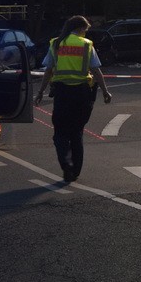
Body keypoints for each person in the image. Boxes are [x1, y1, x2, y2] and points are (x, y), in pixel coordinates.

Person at [34, 15, 113, 182]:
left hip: (62, 94)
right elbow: (96, 70)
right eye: (85, 30)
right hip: (81, 94)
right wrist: (106, 91)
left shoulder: (56, 43)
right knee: (76, 133)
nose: (85, 33)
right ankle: (75, 171)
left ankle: (66, 164)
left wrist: (40, 92)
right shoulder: (86, 45)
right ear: (80, 29)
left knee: (60, 133)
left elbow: (48, 70)